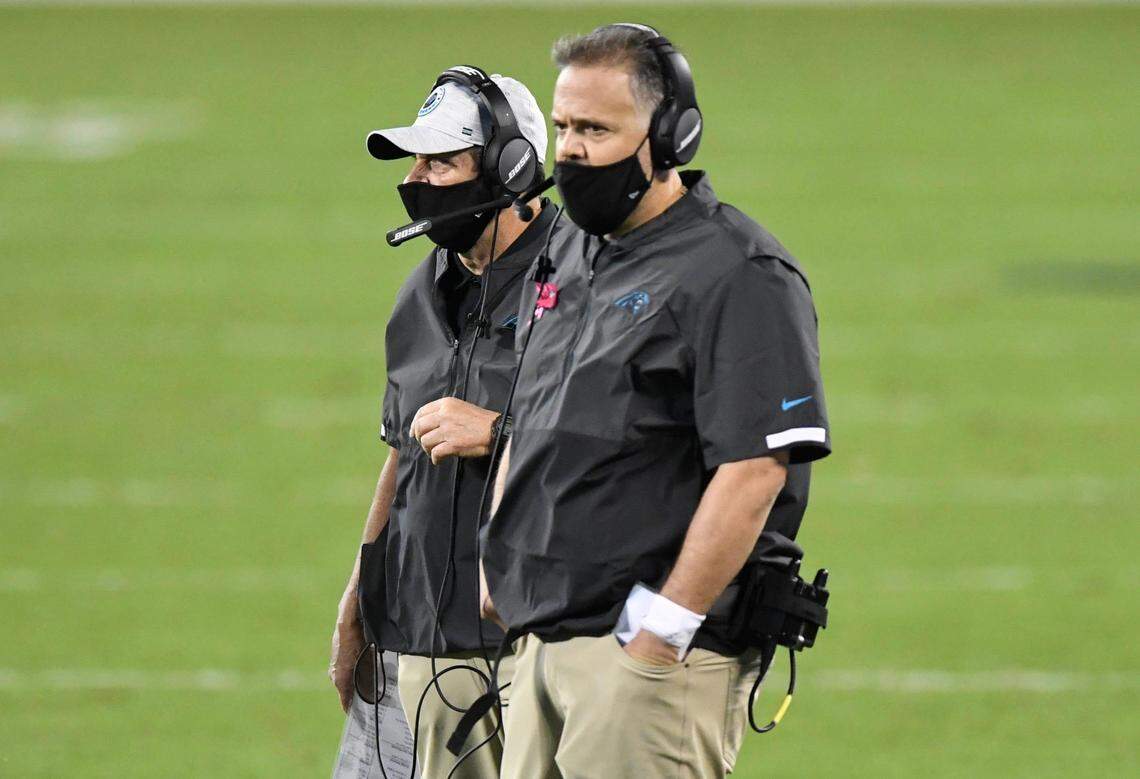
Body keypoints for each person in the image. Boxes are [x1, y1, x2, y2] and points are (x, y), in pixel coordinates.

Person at [480, 24, 832, 778]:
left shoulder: (739, 272)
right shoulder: (567, 246)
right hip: (539, 643)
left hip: (642, 660)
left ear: (672, 136)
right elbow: (530, 407)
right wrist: (498, 555)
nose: (569, 149)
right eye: (565, 126)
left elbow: (755, 469)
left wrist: (660, 632)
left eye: (597, 129)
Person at [329, 66, 558, 779]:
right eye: (416, 161)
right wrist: (362, 597)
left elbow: (627, 448)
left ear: (509, 167)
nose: (418, 178)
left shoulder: (582, 282)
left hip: (535, 645)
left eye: (441, 160)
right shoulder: (423, 288)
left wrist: (498, 431)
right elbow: (404, 448)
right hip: (416, 633)